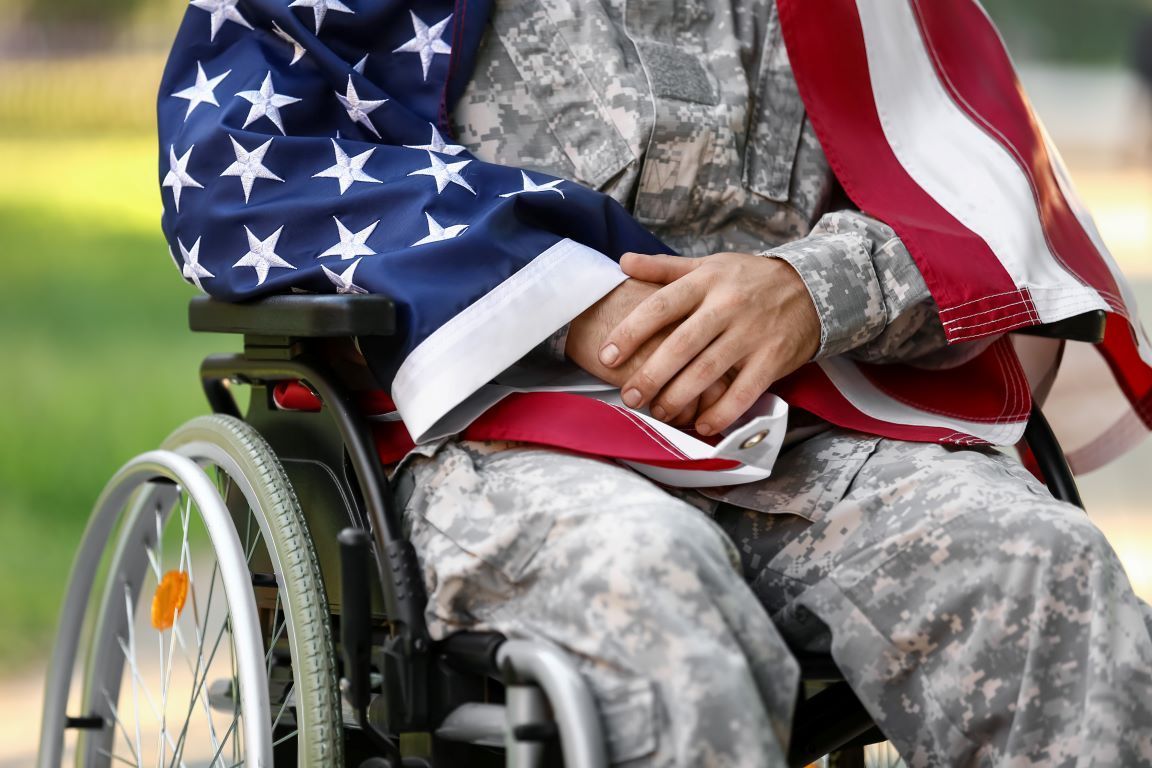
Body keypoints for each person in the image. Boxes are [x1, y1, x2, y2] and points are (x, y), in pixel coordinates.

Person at [158, 0, 1152, 764]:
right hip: (501, 422)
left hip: (811, 411)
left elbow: (980, 185)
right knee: (653, 589)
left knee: (1038, 563)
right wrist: (556, 293)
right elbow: (242, 166)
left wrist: (811, 289)